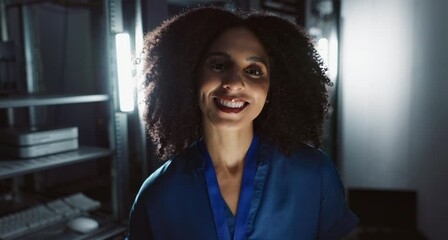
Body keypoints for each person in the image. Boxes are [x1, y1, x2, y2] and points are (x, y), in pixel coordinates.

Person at [127, 6, 358, 240]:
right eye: (219, 65)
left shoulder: (314, 175)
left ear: (273, 88)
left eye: (254, 71)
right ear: (190, 75)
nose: (234, 83)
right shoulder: (159, 193)